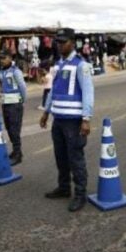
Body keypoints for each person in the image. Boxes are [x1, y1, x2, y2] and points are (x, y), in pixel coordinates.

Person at [40, 28, 95, 212]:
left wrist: (86, 119)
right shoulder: (58, 65)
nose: (59, 45)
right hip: (59, 120)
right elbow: (53, 91)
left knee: (75, 159)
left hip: (74, 122)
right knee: (61, 157)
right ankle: (64, 188)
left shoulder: (82, 65)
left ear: (72, 42)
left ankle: (80, 194)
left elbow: (88, 93)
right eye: (58, 42)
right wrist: (46, 111)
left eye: (63, 42)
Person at [0, 53, 27, 166]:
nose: (2, 60)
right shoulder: (1, 71)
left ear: (10, 58)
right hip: (5, 103)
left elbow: (23, 87)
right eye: (0, 59)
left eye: (4, 58)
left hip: (15, 104)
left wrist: (22, 101)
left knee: (15, 130)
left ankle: (18, 154)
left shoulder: (16, 71)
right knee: (9, 128)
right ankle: (15, 151)